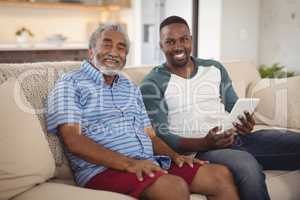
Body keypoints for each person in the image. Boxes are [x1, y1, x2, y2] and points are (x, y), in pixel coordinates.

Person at [46, 24, 239, 200]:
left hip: (148, 162)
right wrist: (129, 164)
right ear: (91, 51)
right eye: (107, 44)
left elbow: (149, 135)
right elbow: (74, 141)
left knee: (219, 175)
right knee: (173, 187)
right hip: (102, 170)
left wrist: (173, 155)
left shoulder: (128, 86)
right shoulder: (70, 83)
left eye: (121, 47)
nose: (114, 52)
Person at [140, 15, 300, 200]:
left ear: (191, 40)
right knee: (247, 166)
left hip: (236, 137)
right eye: (170, 41)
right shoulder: (152, 83)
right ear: (161, 45)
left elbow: (234, 105)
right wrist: (205, 143)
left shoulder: (214, 68)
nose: (178, 46)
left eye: (184, 39)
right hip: (201, 148)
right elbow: (162, 134)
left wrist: (246, 122)